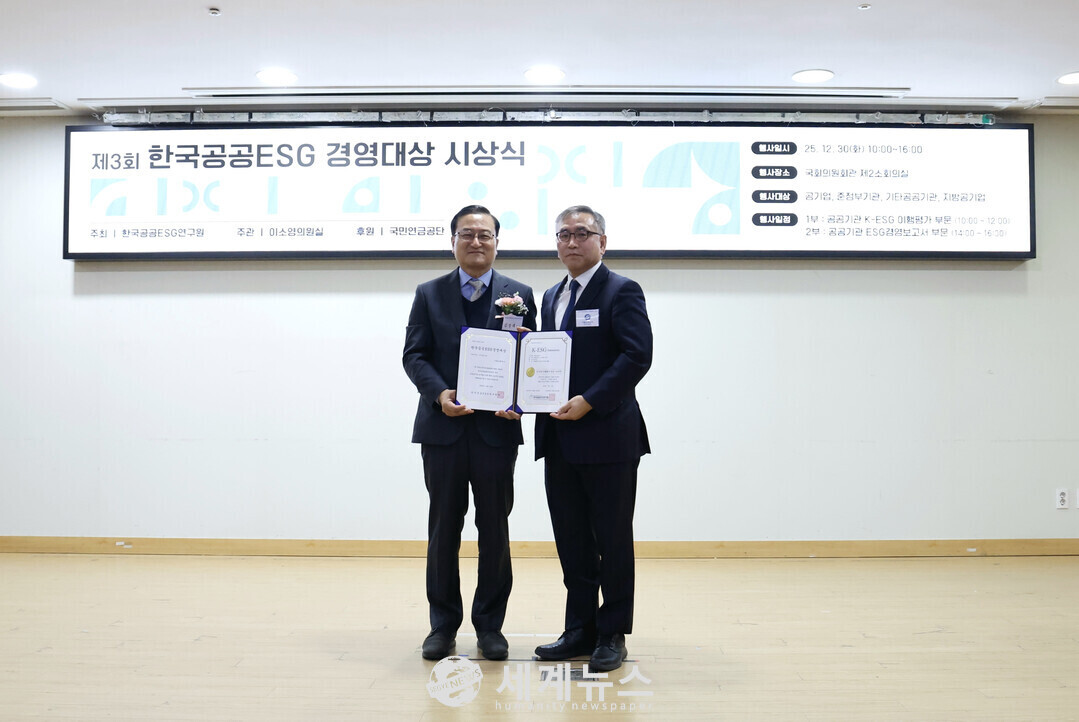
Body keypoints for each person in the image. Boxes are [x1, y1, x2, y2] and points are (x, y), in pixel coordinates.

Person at [403, 205, 537, 661]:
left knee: (495, 529)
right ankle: (442, 626)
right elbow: (414, 355)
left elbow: (530, 359)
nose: (476, 242)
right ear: (453, 242)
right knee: (444, 529)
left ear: (497, 242)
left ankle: (490, 627)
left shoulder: (519, 294)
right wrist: (439, 393)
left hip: (496, 432)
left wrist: (519, 398)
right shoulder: (429, 293)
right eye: (467, 234)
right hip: (442, 428)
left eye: (484, 235)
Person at [533, 205, 653, 673]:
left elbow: (636, 356)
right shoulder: (551, 296)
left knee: (613, 539)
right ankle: (579, 628)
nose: (572, 241)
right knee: (572, 540)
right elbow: (544, 361)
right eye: (563, 234)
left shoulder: (621, 290)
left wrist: (590, 400)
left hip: (608, 437)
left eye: (582, 233)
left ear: (602, 241)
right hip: (559, 438)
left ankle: (612, 632)